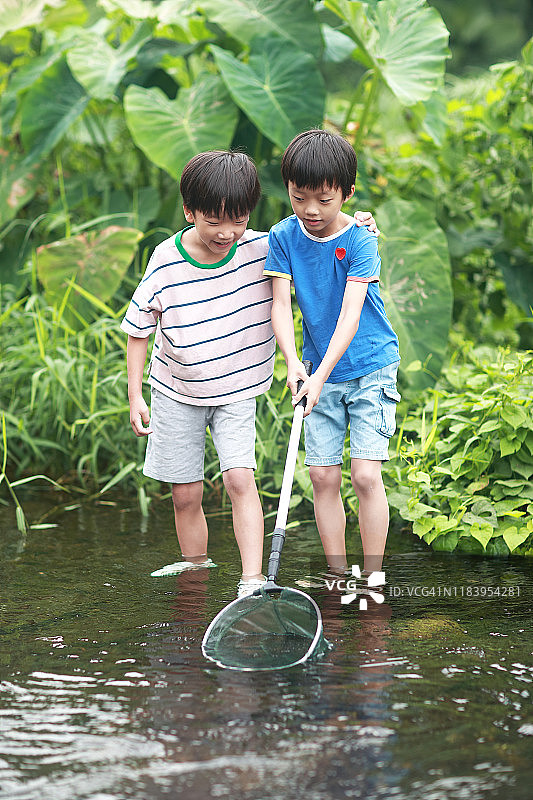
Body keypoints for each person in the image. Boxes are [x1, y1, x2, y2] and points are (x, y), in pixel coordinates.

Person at [121, 149, 378, 597]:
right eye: (214, 221)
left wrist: (364, 226)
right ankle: (194, 573)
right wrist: (135, 395)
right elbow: (139, 328)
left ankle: (252, 580)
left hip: (237, 389)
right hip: (175, 389)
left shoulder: (263, 245)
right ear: (189, 211)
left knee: (240, 479)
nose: (226, 233)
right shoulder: (165, 259)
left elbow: (317, 234)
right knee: (185, 494)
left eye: (237, 221)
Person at [264, 129, 400, 583]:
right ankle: (338, 577)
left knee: (364, 475)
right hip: (315, 370)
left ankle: (374, 576)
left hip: (368, 366)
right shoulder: (284, 236)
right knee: (323, 478)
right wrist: (293, 362)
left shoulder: (360, 239)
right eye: (299, 197)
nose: (311, 211)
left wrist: (320, 373)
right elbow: (280, 303)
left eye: (324, 199)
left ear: (347, 191)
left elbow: (350, 316)